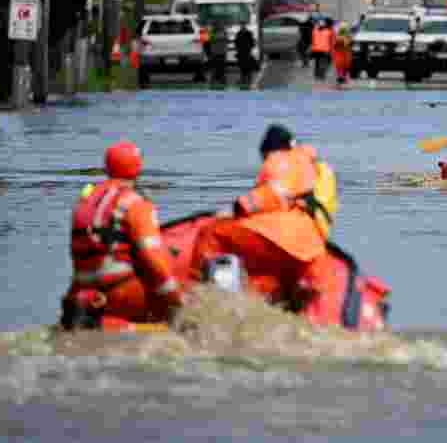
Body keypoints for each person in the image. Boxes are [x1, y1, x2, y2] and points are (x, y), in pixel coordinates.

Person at [186, 125, 332, 306]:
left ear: (268, 149)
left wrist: (236, 209)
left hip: (282, 235)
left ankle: (194, 299)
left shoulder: (279, 161)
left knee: (209, 233)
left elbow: (271, 194)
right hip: (312, 246)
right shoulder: (312, 166)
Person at [61, 141, 184, 329]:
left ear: (107, 167)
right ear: (138, 167)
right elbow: (154, 260)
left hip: (80, 296)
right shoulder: (134, 202)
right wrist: (176, 302)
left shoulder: (85, 200)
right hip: (120, 294)